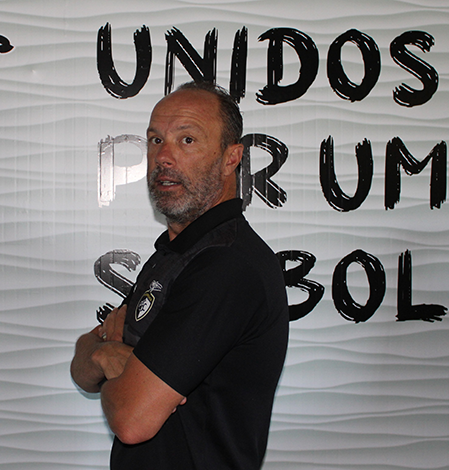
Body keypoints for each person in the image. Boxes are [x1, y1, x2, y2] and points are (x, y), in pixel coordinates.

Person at [71, 81, 289, 469]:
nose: (164, 157)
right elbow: (84, 369)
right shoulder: (173, 255)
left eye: (187, 140)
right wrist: (105, 355)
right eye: (156, 140)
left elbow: (131, 419)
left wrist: (112, 359)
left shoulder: (227, 265)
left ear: (231, 158)